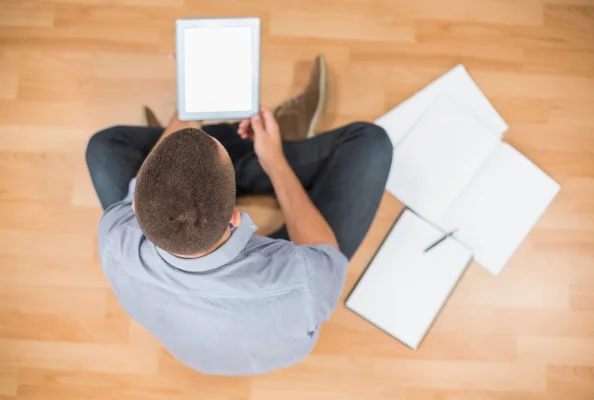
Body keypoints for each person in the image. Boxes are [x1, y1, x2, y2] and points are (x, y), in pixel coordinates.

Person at [86, 55, 393, 375]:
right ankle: (261, 148)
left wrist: (190, 106)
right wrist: (274, 160)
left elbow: (145, 183)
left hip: (198, 352)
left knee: (103, 148)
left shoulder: (115, 237)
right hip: (278, 272)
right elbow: (322, 251)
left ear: (135, 207)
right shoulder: (303, 279)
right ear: (236, 219)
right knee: (371, 143)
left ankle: (231, 156)